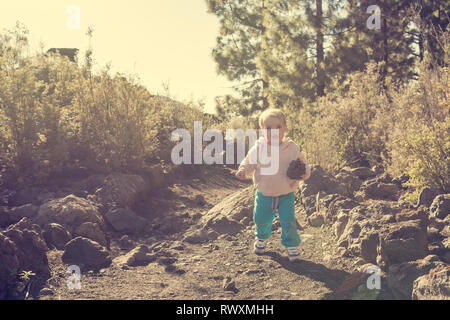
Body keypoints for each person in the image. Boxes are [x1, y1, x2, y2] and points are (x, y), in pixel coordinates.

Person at [235, 108, 311, 261]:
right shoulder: (259, 148)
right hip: (265, 193)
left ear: (285, 128)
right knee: (261, 219)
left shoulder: (292, 148)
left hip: (286, 193)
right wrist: (243, 170)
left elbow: (303, 164)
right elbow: (249, 161)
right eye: (268, 128)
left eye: (278, 127)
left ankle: (291, 246)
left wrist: (304, 173)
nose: (274, 131)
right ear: (262, 130)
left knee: (288, 220)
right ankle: (261, 238)